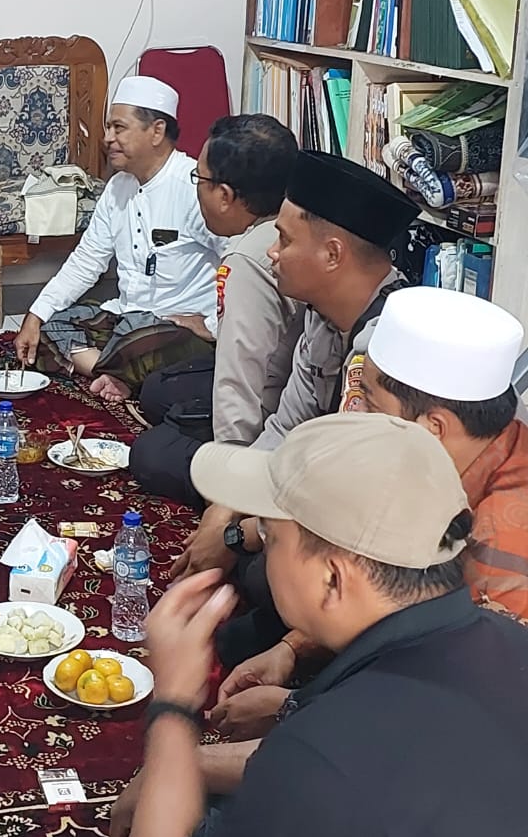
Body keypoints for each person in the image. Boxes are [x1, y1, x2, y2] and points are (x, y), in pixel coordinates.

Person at [117, 412, 528, 837]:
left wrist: (174, 704)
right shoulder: (511, 642)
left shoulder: (325, 752)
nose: (265, 551)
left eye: (271, 535)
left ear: (333, 579)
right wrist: (290, 707)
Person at [206, 285, 528, 742]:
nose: (357, 416)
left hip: (466, 725)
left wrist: (292, 715)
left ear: (433, 427)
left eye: (371, 405)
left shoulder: (504, 544)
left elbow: (448, 724)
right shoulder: (445, 457)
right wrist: (291, 649)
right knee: (246, 634)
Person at [174, 153, 419, 660]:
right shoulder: (324, 314)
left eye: (284, 240)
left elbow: (345, 498)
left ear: (332, 254)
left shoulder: (389, 354)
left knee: (266, 572)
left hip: (368, 539)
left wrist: (239, 535)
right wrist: (225, 506)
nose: (271, 253)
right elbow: (287, 425)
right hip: (311, 495)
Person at [12, 75, 226, 402]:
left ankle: (114, 369)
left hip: (173, 328)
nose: (107, 138)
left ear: (156, 131)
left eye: (118, 128)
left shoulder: (193, 187)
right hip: (126, 317)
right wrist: (35, 315)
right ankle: (118, 375)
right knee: (52, 325)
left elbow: (238, 263)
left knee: (141, 339)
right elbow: (86, 261)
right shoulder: (117, 187)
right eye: (108, 128)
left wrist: (210, 324)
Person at [129, 114, 301, 505]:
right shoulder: (290, 225)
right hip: (284, 377)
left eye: (200, 179)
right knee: (158, 389)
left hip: (274, 405)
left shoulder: (248, 259)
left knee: (151, 453)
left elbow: (241, 375)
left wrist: (230, 476)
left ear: (225, 195)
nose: (197, 190)